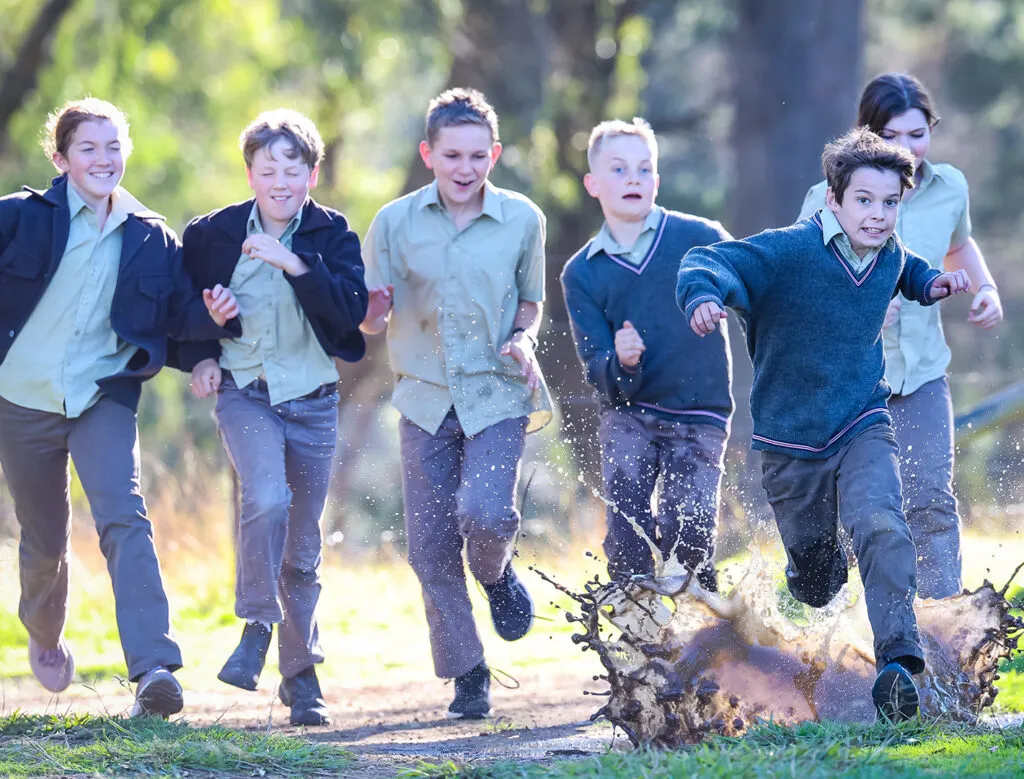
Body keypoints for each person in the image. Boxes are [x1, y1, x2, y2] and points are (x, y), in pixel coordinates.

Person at [677, 128, 971, 722]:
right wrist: (703, 298)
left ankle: (900, 667)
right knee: (817, 581)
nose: (879, 215)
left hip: (862, 420)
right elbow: (708, 261)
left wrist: (930, 284)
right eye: (864, 200)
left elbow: (903, 268)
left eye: (891, 203)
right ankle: (811, 572)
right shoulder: (789, 251)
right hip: (791, 441)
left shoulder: (888, 253)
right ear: (833, 199)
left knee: (883, 523)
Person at [0, 98, 239, 717]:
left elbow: (177, 314)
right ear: (61, 158)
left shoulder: (151, 235)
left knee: (124, 518)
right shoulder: (21, 219)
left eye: (113, 147)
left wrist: (208, 333)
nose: (103, 159)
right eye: (88, 148)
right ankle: (45, 631)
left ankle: (154, 670)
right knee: (45, 540)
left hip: (101, 395)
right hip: (20, 398)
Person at [360, 88, 552, 719]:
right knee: (430, 549)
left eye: (477, 155)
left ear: (493, 153)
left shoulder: (523, 218)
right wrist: (372, 311)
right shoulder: (392, 222)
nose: (464, 169)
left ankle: (496, 576)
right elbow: (369, 313)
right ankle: (469, 674)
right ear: (428, 154)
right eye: (451, 156)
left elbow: (531, 300)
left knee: (487, 515)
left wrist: (523, 336)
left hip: (500, 390)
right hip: (422, 398)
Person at [173, 109, 367, 726]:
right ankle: (257, 623)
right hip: (245, 393)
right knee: (265, 495)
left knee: (303, 548)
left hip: (312, 403)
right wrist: (205, 345)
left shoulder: (332, 235)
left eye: (293, 167)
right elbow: (188, 310)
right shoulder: (212, 234)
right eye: (267, 168)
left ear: (313, 173)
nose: (280, 179)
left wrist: (293, 264)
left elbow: (348, 314)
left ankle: (301, 677)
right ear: (250, 173)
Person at [799, 73, 1002, 599]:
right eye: (893, 136)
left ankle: (945, 639)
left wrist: (985, 289)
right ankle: (853, 638)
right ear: (866, 134)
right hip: (853, 385)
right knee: (862, 515)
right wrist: (856, 310)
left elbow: (959, 246)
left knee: (931, 501)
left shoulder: (949, 186)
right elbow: (801, 279)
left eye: (919, 133)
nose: (908, 148)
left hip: (924, 374)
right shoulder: (826, 198)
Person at [561, 118, 732, 589]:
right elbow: (597, 367)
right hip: (628, 412)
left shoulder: (701, 237)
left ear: (656, 181)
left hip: (699, 410)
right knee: (628, 534)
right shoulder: (582, 272)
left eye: (643, 169)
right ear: (593, 184)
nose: (633, 178)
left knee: (689, 530)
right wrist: (623, 361)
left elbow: (756, 287)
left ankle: (700, 635)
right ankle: (638, 640)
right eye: (618, 169)